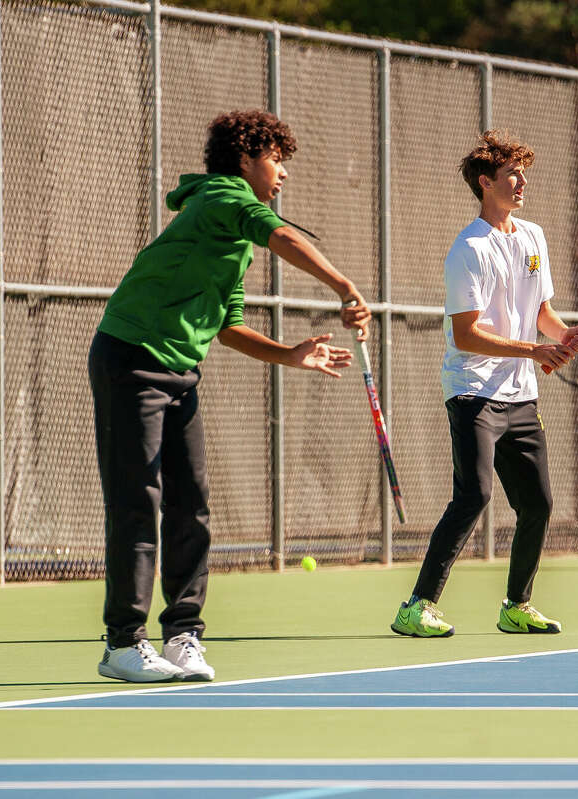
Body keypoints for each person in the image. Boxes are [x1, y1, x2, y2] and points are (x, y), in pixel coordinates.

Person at [90, 109, 371, 683]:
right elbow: (283, 235)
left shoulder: (229, 233)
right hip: (130, 358)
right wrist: (344, 286)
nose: (283, 174)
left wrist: (291, 354)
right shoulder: (222, 197)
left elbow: (227, 325)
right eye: (275, 160)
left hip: (180, 369)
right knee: (137, 501)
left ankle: (183, 637)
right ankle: (123, 643)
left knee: (190, 504)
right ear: (245, 161)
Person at [389, 131, 578, 639]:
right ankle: (417, 606)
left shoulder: (533, 237)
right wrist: (534, 351)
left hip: (521, 396)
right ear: (486, 182)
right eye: (511, 175)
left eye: (524, 173)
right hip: (473, 392)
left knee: (538, 504)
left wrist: (562, 334)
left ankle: (517, 605)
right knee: (473, 495)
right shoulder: (468, 248)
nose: (522, 182)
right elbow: (467, 333)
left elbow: (540, 313)